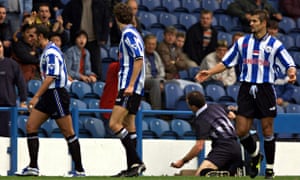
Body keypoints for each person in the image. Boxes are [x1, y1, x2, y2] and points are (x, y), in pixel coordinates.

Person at [195, 9, 297, 179]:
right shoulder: (242, 42)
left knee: (267, 130)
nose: (251, 24)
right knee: (241, 130)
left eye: (255, 21)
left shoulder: (274, 44)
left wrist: (292, 72)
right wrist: (209, 72)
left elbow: (289, 62)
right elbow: (227, 62)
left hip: (265, 89)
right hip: (246, 89)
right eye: (251, 21)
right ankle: (256, 155)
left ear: (263, 23)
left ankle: (270, 169)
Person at [16, 24, 85, 177]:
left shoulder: (51, 52)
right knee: (31, 126)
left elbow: (51, 77)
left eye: (33, 36)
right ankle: (33, 167)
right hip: (49, 95)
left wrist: (36, 96)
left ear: (40, 36)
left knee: (68, 132)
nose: (31, 39)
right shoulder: (48, 51)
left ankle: (80, 170)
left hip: (56, 94)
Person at [109, 2, 146, 177]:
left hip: (129, 86)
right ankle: (133, 166)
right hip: (135, 87)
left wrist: (130, 84)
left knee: (114, 123)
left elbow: (138, 59)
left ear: (116, 18)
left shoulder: (128, 35)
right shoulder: (134, 33)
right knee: (129, 125)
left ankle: (137, 161)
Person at [171, 91, 242, 177]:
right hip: (236, 146)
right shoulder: (216, 106)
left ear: (193, 106)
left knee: (200, 175)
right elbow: (232, 116)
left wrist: (183, 161)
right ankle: (225, 174)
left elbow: (199, 147)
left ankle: (217, 174)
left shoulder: (201, 120)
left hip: (223, 147)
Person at [62, 0, 110, 81]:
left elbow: (106, 21)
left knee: (96, 69)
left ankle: (97, 89)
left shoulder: (100, 3)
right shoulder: (73, 3)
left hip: (94, 40)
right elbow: (64, 15)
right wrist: (66, 23)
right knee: (74, 66)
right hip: (77, 40)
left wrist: (104, 37)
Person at [0, 40, 27, 137]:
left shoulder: (12, 64)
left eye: (0, 46)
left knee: (7, 137)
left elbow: (21, 83)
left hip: (8, 107)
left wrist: (23, 100)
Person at [144, 34, 165, 110]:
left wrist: (161, 81)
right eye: (149, 44)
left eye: (153, 44)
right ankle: (157, 111)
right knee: (155, 83)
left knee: (173, 83)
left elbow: (161, 69)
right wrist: (158, 81)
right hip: (144, 80)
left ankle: (170, 113)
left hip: (157, 79)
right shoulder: (140, 54)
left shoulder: (156, 54)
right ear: (145, 44)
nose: (151, 46)